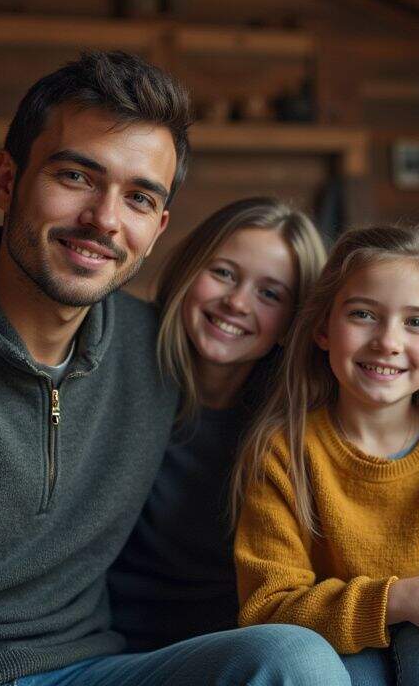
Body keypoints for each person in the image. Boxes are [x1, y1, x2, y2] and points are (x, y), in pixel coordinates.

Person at [0, 51, 346, 686]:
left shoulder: (153, 347)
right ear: (5, 180)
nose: (103, 219)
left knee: (294, 661)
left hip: (94, 670)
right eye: (76, 176)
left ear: (156, 229)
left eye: (137, 197)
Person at [232, 224, 419, 685]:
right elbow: (266, 607)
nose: (388, 341)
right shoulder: (284, 453)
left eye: (416, 322)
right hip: (336, 653)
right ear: (323, 329)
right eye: (363, 314)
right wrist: (396, 601)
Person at [108, 196, 327, 650]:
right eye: (224, 273)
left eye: (270, 294)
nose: (236, 303)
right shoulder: (114, 365)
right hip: (101, 644)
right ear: (190, 272)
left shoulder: (293, 430)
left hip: (228, 649)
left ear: (293, 323)